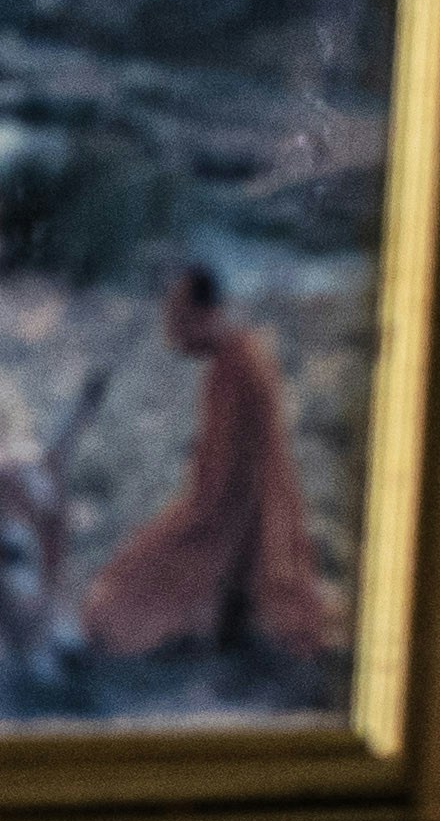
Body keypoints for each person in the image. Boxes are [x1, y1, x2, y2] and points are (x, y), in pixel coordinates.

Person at [80, 263, 343, 666]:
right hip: (249, 520)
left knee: (117, 602)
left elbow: (217, 495)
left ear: (206, 314)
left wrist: (166, 539)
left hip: (234, 525)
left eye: (179, 319)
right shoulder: (243, 354)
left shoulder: (235, 364)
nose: (172, 334)